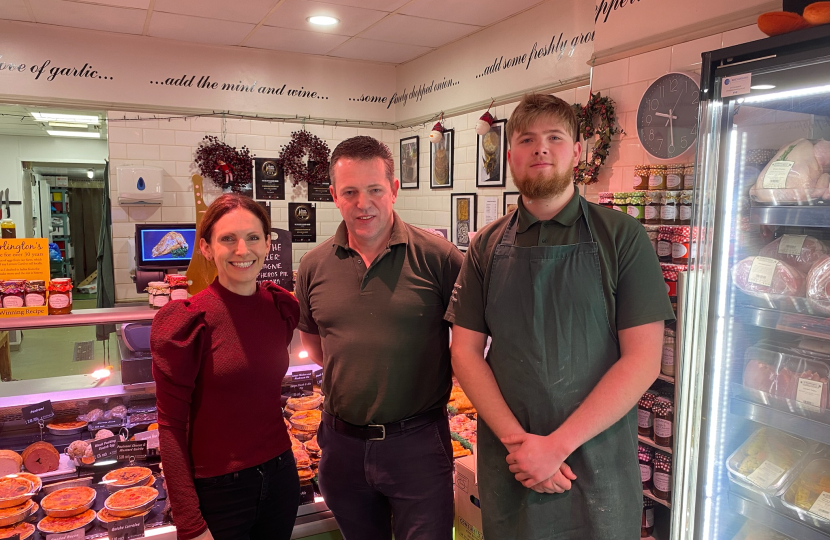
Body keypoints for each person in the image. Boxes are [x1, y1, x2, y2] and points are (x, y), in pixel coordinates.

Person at [446, 94, 675, 539]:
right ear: (510, 155)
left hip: (596, 463)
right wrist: (523, 448)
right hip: (512, 463)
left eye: (555, 137)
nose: (541, 149)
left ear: (577, 151)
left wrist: (557, 447)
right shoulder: (485, 247)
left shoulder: (622, 238)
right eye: (527, 139)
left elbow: (644, 360)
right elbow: (466, 353)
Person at [295, 136, 463, 540]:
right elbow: (317, 348)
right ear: (334, 196)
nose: (362, 203)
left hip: (418, 444)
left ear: (394, 189)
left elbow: (469, 345)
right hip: (341, 447)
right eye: (350, 192)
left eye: (374, 190)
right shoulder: (314, 265)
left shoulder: (440, 258)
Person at [151, 194, 300, 540]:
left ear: (266, 243)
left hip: (281, 477)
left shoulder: (280, 307)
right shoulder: (188, 321)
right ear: (206, 248)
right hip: (218, 494)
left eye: (252, 237)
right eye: (227, 239)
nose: (241, 250)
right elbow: (170, 427)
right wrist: (189, 521)